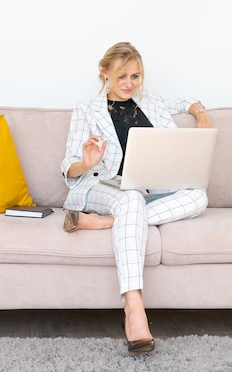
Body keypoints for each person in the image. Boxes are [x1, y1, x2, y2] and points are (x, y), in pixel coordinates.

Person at [60, 41, 213, 353]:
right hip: (103, 187)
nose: (129, 84)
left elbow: (185, 100)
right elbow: (68, 166)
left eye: (135, 76)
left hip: (149, 190)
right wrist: (85, 163)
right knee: (129, 199)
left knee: (198, 195)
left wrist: (200, 113)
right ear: (104, 73)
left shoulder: (151, 104)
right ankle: (134, 309)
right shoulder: (86, 110)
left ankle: (108, 223)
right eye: (121, 77)